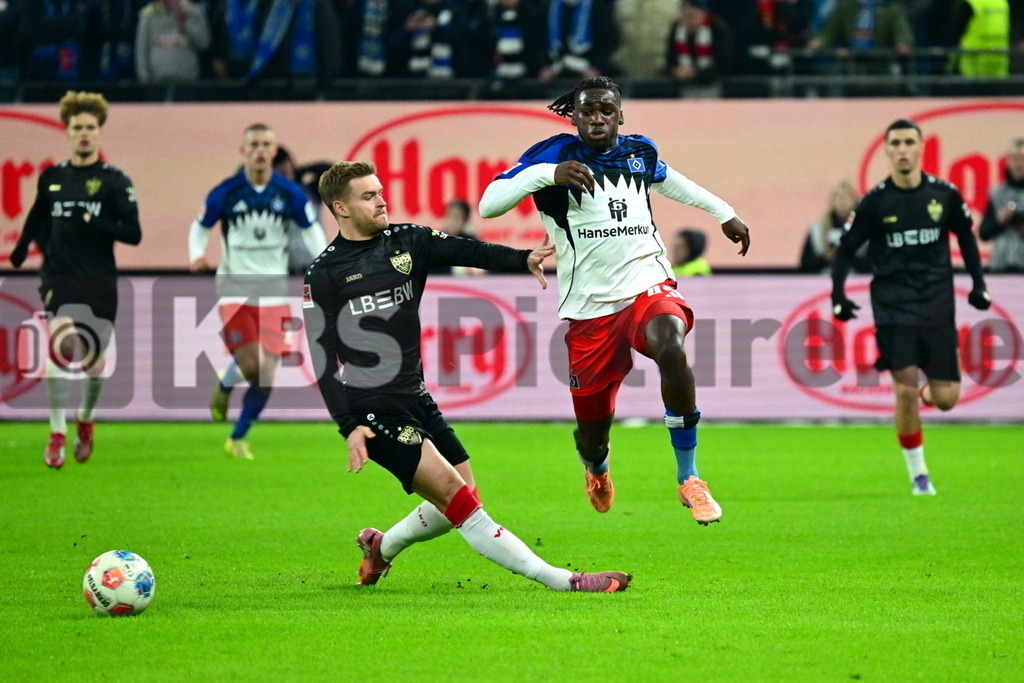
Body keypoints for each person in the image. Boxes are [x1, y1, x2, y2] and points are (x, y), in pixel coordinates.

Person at [303, 160, 630, 592]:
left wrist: (522, 258)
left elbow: (467, 251)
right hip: (372, 408)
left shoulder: (407, 240)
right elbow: (323, 357)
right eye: (368, 196)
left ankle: (380, 548)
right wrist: (349, 426)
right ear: (340, 208)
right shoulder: (323, 273)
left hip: (414, 396)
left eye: (380, 190)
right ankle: (563, 580)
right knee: (463, 506)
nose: (382, 199)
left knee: (460, 496)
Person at [479, 76, 751, 525]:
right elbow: (490, 204)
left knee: (671, 346)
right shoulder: (553, 155)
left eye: (606, 110)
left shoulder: (639, 153)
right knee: (592, 432)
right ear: (575, 116)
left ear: (620, 115)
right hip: (589, 309)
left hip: (647, 285)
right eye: (588, 111)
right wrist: (548, 175)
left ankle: (690, 478)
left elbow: (674, 182)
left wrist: (724, 213)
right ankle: (597, 468)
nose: (597, 118)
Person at [831, 118, 993, 496]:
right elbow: (845, 251)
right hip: (892, 304)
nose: (903, 149)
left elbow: (967, 240)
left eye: (909, 142)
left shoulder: (944, 195)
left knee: (947, 399)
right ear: (887, 150)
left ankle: (921, 400)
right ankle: (919, 475)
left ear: (921, 148)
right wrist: (838, 296)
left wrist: (979, 285)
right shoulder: (874, 202)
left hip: (937, 303)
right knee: (904, 391)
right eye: (896, 143)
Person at [9, 91, 142, 468]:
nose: (84, 134)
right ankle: (56, 432)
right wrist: (22, 249)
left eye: (90, 128)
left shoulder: (115, 181)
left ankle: (85, 417)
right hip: (59, 276)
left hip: (99, 279)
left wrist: (92, 221)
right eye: (77, 127)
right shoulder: (52, 177)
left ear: (99, 133)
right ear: (67, 132)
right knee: (63, 344)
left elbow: (133, 234)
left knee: (94, 364)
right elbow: (37, 217)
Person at [188, 123, 327, 460]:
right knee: (254, 367)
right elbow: (200, 226)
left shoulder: (290, 193)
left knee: (267, 375)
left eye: (267, 144)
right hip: (235, 289)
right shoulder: (226, 192)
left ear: (274, 150)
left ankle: (237, 437)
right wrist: (197, 254)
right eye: (254, 145)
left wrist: (323, 262)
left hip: (274, 292)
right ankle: (227, 382)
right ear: (243, 151)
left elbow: (311, 230)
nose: (261, 150)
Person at [798, 179, 871, 273]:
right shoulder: (817, 229)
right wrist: (826, 258)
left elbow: (873, 264)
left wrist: (849, 257)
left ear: (855, 200)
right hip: (823, 283)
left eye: (846, 197)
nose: (842, 201)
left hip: (855, 283)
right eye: (837, 196)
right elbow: (805, 264)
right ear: (832, 201)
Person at [134, 0, 212, 84]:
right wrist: (145, 79)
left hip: (188, 81)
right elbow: (142, 50)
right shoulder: (148, 15)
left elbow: (204, 43)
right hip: (157, 82)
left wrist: (185, 21)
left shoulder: (193, 11)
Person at [979, 137, 1024, 272]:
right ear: (1008, 161)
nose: (1019, 164)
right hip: (1000, 264)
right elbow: (984, 233)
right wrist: (1000, 220)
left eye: (1022, 159)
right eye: (1015, 159)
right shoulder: (997, 193)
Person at [429, 198, 482, 275]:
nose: (451, 221)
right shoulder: (437, 241)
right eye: (449, 216)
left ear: (464, 220)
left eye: (456, 217)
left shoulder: (471, 242)